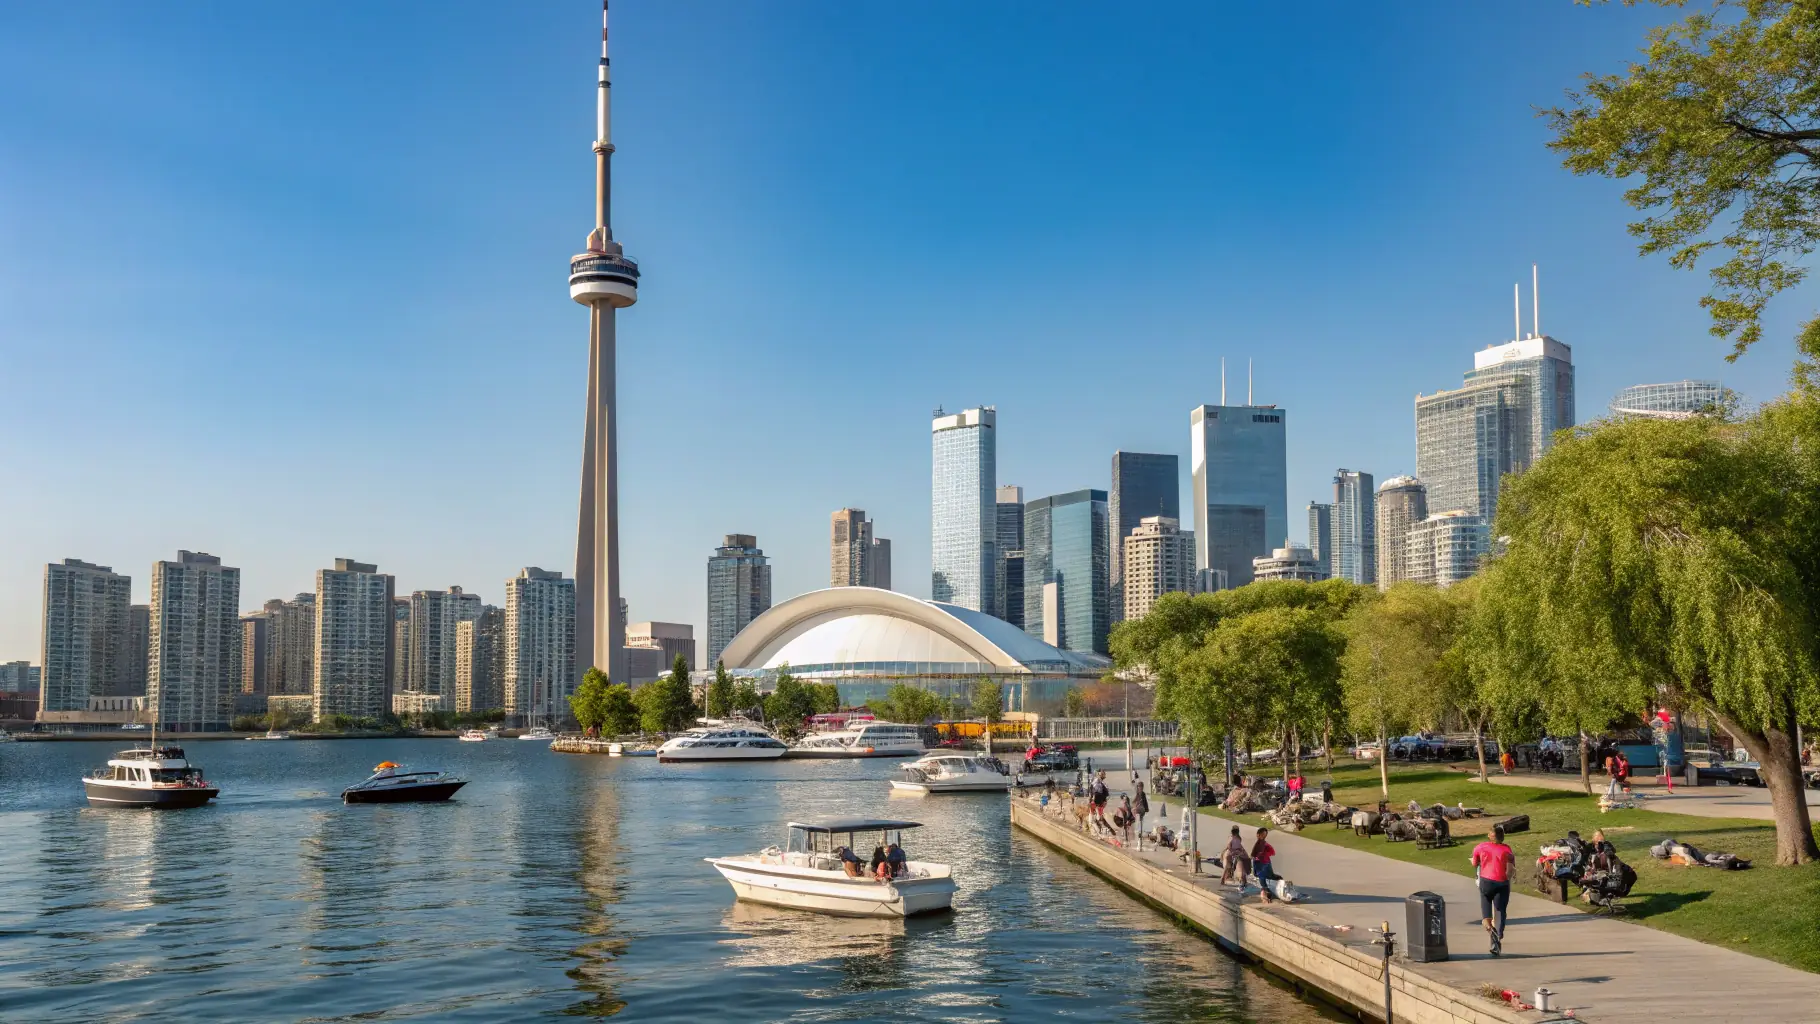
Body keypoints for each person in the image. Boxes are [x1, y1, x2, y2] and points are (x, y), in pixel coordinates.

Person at [1470, 824, 1516, 956]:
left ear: (1490, 836)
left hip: (1486, 882)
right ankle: (1498, 935)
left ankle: (1491, 932)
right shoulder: (1507, 850)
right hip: (1502, 883)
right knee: (1500, 911)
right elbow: (1511, 868)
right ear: (1502, 837)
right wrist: (1507, 878)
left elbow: (1474, 863)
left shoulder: (1480, 847)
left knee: (1486, 917)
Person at [1250, 827, 1278, 903]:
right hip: (1260, 864)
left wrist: (1265, 854)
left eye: (1265, 834)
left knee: (1270, 876)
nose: (1264, 836)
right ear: (1258, 835)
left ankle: (1269, 891)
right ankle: (1265, 894)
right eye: (1262, 834)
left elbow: (1273, 852)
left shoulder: (1265, 844)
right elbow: (1252, 856)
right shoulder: (1258, 844)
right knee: (1262, 879)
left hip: (1266, 863)